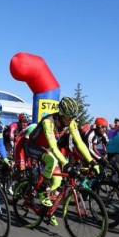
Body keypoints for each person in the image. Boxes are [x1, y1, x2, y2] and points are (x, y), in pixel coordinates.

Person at [25, 97, 99, 226]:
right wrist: (66, 164)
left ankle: (47, 209)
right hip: (33, 145)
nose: (71, 120)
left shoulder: (71, 122)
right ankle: (41, 191)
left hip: (46, 148)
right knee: (52, 160)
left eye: (72, 117)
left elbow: (80, 143)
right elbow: (54, 147)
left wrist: (92, 161)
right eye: (68, 117)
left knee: (58, 180)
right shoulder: (48, 121)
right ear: (61, 113)